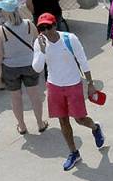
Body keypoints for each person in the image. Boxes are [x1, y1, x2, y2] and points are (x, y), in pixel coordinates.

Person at [31, 13, 104, 171]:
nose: (46, 31)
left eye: (48, 27)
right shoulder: (39, 43)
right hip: (54, 86)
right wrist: (42, 51)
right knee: (63, 121)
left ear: (55, 25)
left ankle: (95, 128)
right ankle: (73, 152)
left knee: (80, 119)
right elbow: (36, 68)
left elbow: (83, 60)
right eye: (42, 28)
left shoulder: (70, 39)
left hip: (73, 84)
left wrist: (90, 83)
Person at [0, 0, 46, 135]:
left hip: (10, 67)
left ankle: (22, 126)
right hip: (29, 64)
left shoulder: (0, 30)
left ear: (5, 12)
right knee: (34, 94)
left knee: (15, 97)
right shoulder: (29, 24)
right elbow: (37, 42)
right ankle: (40, 123)